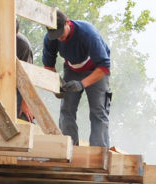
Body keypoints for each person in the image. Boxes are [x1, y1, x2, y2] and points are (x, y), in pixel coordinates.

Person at [42, 10, 112, 147]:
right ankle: (69, 147)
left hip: (96, 70)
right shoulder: (51, 38)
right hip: (72, 69)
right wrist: (56, 85)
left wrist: (82, 84)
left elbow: (104, 67)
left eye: (61, 32)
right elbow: (48, 66)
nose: (59, 37)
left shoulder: (88, 33)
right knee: (66, 108)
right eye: (55, 35)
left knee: (98, 110)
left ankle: (99, 151)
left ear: (68, 22)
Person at [0, 24, 36, 122]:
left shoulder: (23, 46)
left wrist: (26, 104)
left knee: (24, 117)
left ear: (16, 33)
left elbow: (28, 76)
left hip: (19, 87)